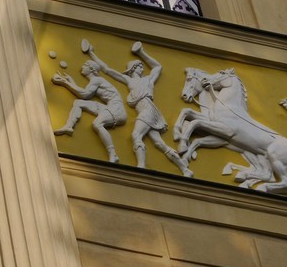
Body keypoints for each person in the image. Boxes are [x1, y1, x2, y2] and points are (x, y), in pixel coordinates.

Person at [85, 41, 189, 175]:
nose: (142, 68)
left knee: (136, 135)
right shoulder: (129, 80)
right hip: (147, 112)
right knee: (159, 143)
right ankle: (184, 169)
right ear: (133, 69)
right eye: (140, 66)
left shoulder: (148, 80)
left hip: (147, 109)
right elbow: (107, 70)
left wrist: (141, 52)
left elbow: (158, 67)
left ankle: (141, 167)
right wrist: (91, 53)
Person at [51, 60, 127, 162]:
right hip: (109, 107)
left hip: (117, 109)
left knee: (97, 124)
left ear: (91, 69)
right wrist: (70, 81)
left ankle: (113, 154)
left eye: (85, 65)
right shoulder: (95, 81)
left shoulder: (97, 80)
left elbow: (85, 94)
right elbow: (84, 94)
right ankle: (69, 127)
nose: (82, 67)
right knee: (78, 103)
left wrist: (65, 82)